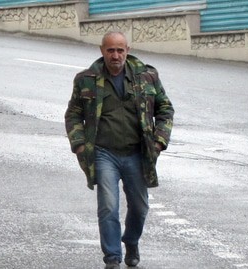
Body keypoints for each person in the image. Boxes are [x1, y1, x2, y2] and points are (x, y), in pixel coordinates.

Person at [64, 31, 174, 269]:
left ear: (127, 50)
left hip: (137, 153)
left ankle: (131, 241)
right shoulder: (86, 79)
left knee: (140, 206)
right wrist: (80, 144)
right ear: (102, 50)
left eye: (120, 50)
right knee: (108, 206)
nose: (115, 55)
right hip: (104, 153)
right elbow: (73, 114)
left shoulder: (147, 76)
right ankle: (112, 258)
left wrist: (158, 142)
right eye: (110, 50)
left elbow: (165, 109)